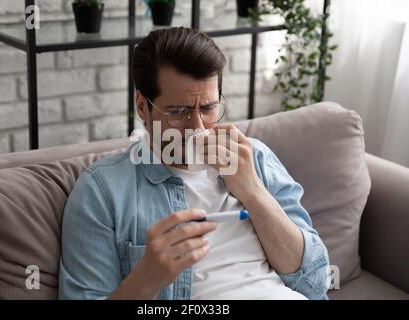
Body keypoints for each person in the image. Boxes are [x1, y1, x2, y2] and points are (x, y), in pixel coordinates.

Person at [58, 27, 330, 300]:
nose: (197, 128)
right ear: (143, 106)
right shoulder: (102, 192)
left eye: (208, 108)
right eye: (179, 112)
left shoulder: (255, 157)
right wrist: (146, 279)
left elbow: (316, 283)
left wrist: (253, 191)